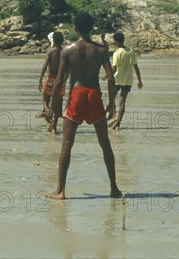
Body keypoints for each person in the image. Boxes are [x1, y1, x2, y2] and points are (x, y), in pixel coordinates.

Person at [45, 13, 122, 200]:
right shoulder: (101, 50)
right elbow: (111, 79)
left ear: (76, 28)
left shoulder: (68, 50)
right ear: (91, 27)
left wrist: (51, 107)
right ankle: (114, 188)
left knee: (67, 143)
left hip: (77, 95)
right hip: (94, 94)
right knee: (105, 144)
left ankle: (61, 190)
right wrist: (112, 104)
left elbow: (59, 81)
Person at [106, 32, 143, 131]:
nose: (113, 43)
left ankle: (113, 116)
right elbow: (136, 67)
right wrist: (139, 80)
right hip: (128, 80)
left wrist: (106, 76)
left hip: (117, 79)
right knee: (122, 102)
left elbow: (114, 69)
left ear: (116, 41)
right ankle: (118, 125)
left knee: (112, 99)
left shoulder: (117, 53)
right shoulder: (130, 51)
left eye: (114, 41)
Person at [38, 31, 66, 133]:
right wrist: (64, 80)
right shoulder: (64, 52)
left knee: (45, 100)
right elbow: (67, 69)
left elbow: (45, 66)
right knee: (58, 104)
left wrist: (40, 80)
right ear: (62, 40)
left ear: (53, 40)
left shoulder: (50, 51)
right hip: (60, 79)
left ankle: (48, 114)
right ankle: (54, 126)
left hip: (50, 78)